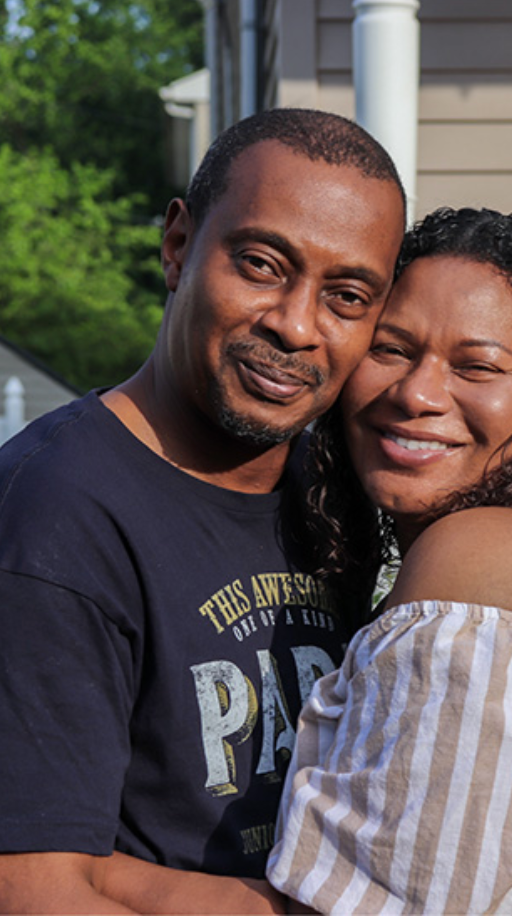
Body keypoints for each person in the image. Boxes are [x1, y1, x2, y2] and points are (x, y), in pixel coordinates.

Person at [0, 107, 405, 914]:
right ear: (179, 245)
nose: (296, 325)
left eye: (348, 296)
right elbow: (31, 892)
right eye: (260, 264)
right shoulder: (55, 516)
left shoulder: (338, 492)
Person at [266, 206, 512, 915]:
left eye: (478, 367)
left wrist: (96, 882)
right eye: (392, 349)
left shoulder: (473, 556)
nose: (417, 393)